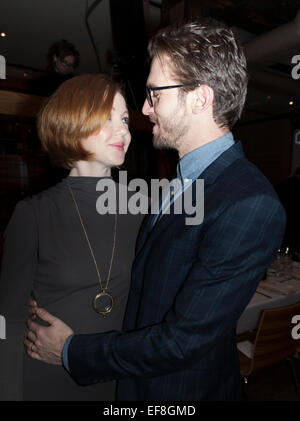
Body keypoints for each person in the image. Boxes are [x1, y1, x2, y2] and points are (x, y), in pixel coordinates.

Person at [24, 19, 286, 401]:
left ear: (200, 98)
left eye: (155, 94)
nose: (145, 109)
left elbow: (181, 342)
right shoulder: (178, 179)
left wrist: (69, 349)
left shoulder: (250, 203)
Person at [0, 74, 144, 400]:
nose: (123, 130)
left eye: (124, 119)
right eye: (107, 118)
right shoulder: (34, 214)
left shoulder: (145, 207)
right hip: (48, 377)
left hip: (117, 373)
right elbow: (9, 321)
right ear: (74, 122)